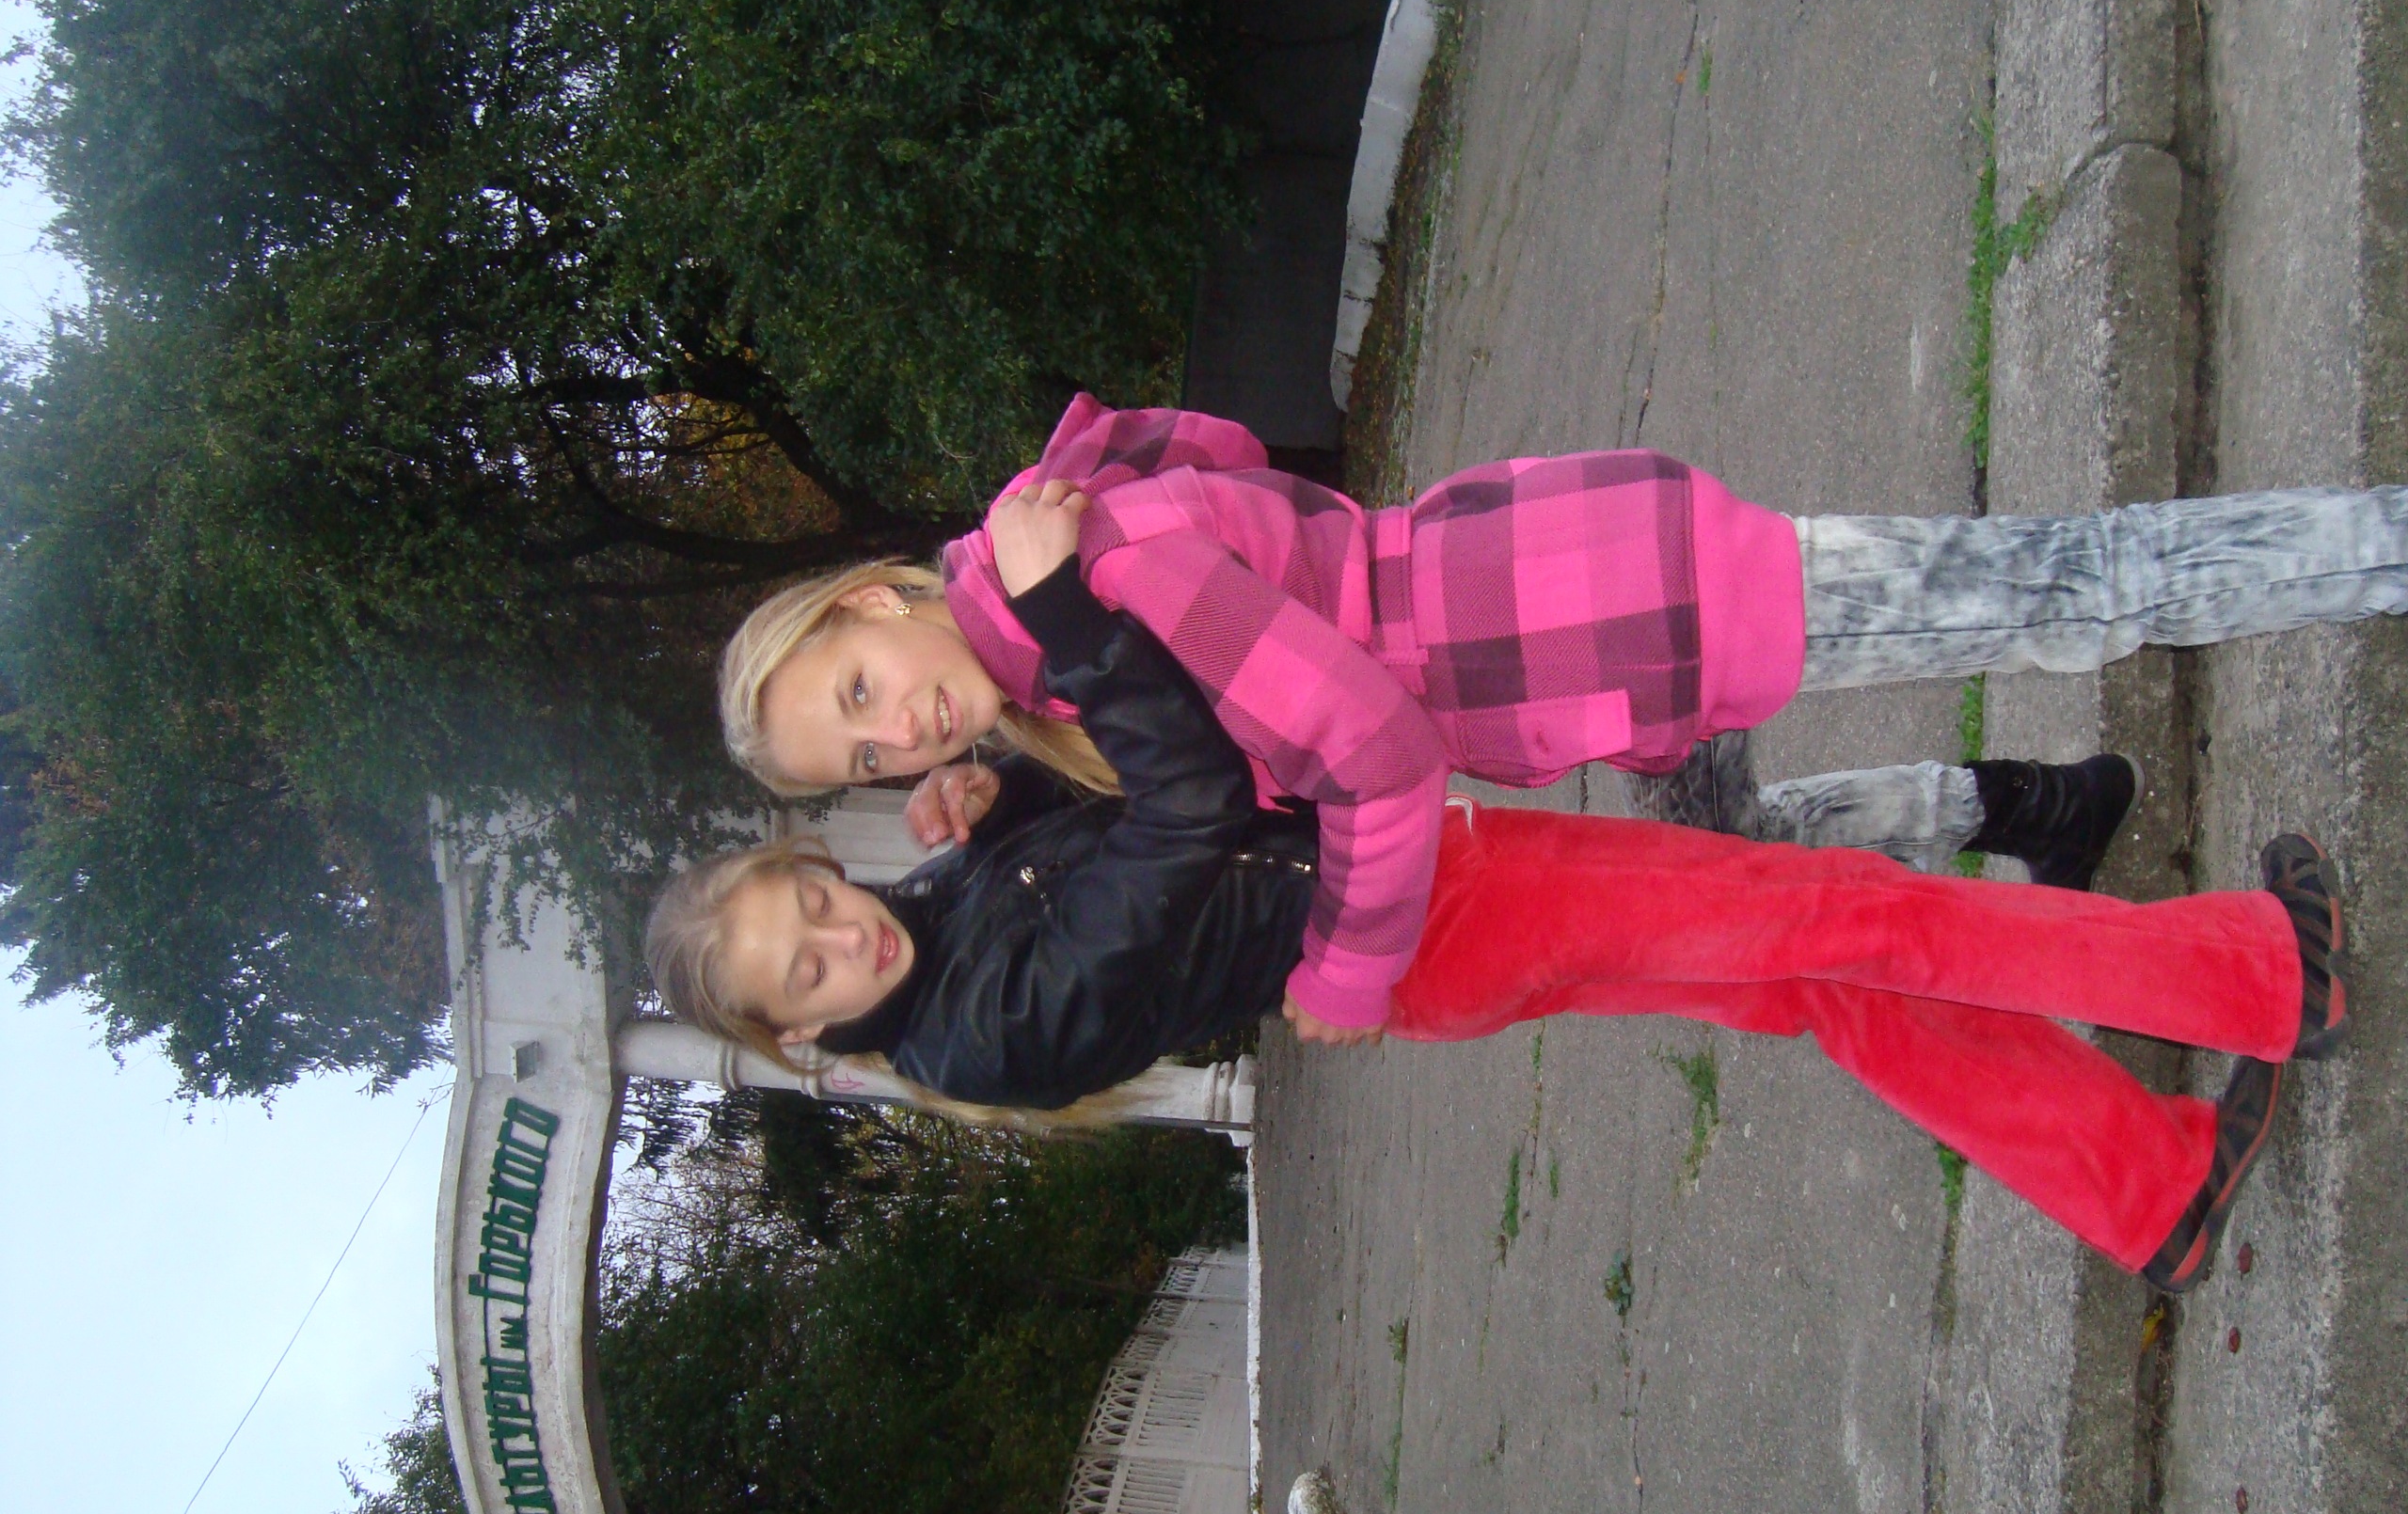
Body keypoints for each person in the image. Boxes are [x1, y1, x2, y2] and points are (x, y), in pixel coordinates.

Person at [655, 538, 2349, 1296]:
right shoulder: (977, 1039)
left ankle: (2148, 1185)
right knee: (1850, 917)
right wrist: (1074, 635)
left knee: (1822, 978)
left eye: (814, 894)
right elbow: (1179, 830)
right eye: (805, 970)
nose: (841, 936)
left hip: (1435, 911)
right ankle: (2258, 976)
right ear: (799, 1035)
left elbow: (1082, 860)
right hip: (1443, 915)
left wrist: (997, 801)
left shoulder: (935, 920)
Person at [717, 396, 2400, 1043]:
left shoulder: (1097, 581)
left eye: (862, 690)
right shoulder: (1049, 624)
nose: (902, 728)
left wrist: (1346, 975)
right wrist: (1012, 800)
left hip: (1597, 614)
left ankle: (2376, 549)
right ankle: (2036, 809)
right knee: (1755, 846)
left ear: (868, 599)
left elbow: (1374, 753)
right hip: (1563, 611)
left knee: (2066, 586)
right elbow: (1231, 478)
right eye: (867, 754)